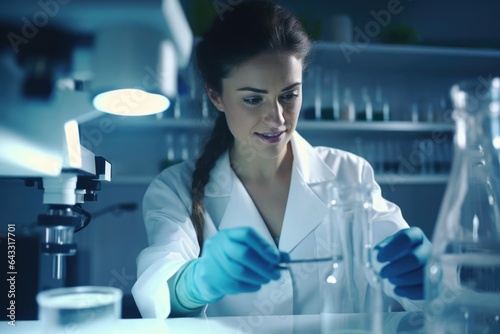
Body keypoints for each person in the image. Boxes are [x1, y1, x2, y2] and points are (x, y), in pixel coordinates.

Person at [131, 0, 431, 318]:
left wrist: (425, 278)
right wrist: (194, 282)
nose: (277, 119)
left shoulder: (350, 174)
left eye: (289, 95)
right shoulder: (175, 188)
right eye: (252, 99)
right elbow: (158, 291)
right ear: (215, 96)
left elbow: (427, 297)